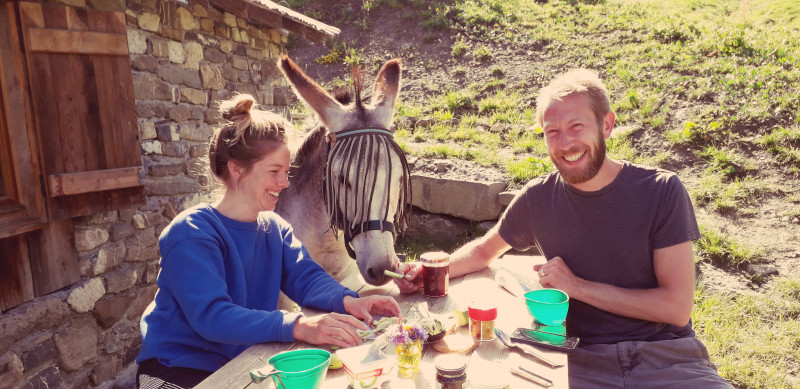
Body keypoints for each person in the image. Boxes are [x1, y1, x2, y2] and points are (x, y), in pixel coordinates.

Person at [394, 70, 732, 387]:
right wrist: (429, 273)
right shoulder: (538, 197)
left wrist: (577, 287)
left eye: (576, 126)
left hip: (666, 357)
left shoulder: (661, 190)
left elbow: (675, 308)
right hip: (575, 359)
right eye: (552, 132)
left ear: (607, 125)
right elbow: (484, 250)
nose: (565, 143)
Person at [136, 94, 401, 389]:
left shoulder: (275, 229)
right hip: (175, 371)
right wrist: (298, 325)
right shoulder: (190, 232)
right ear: (236, 168)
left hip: (242, 364)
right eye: (274, 172)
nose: (284, 183)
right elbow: (212, 317)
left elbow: (307, 278)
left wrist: (350, 301)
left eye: (286, 173)